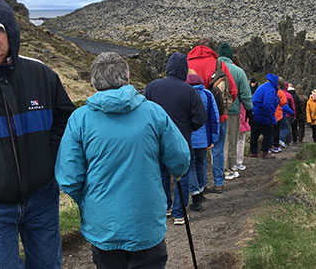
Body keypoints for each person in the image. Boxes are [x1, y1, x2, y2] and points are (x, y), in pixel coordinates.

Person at [0, 0, 75, 268]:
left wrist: (49, 158)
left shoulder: (41, 74)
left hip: (42, 197)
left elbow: (65, 119)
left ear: (11, 31)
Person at [55, 52, 190, 269]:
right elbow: (181, 160)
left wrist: (89, 201)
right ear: (127, 78)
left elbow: (69, 177)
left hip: (103, 225)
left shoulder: (80, 119)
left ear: (94, 82)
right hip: (145, 222)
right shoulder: (153, 113)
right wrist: (176, 171)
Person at [144, 52, 207, 224]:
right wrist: (189, 127)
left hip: (157, 141)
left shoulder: (152, 87)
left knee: (162, 175)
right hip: (181, 141)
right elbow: (201, 118)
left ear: (168, 67)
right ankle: (180, 213)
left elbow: (143, 112)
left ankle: (166, 207)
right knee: (182, 176)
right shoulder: (190, 91)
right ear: (184, 70)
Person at [187, 38, 237, 193]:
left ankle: (199, 187)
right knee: (218, 149)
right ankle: (218, 183)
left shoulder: (187, 64)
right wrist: (222, 110)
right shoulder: (219, 64)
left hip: (192, 118)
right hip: (218, 116)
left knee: (195, 153)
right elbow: (232, 91)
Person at [217, 45, 253, 181]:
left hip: (216, 112)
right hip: (233, 110)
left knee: (218, 141)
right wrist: (249, 109)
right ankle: (229, 170)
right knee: (232, 141)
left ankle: (217, 169)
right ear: (231, 56)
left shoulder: (213, 69)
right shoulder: (238, 72)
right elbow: (245, 94)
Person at [186, 72, 219, 211]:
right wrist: (213, 138)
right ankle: (201, 188)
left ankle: (196, 196)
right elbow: (214, 117)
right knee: (201, 163)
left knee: (191, 166)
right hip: (204, 138)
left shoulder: (185, 95)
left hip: (188, 138)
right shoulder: (207, 94)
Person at [249, 73, 280, 159]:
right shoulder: (271, 89)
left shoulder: (264, 86)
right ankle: (265, 152)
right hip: (262, 114)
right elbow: (267, 105)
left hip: (254, 113)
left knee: (255, 133)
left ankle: (253, 152)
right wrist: (272, 118)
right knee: (269, 133)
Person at [272, 77, 288, 153]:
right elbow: (283, 103)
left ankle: (268, 147)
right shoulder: (281, 92)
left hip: (269, 113)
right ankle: (276, 147)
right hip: (277, 114)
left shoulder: (270, 90)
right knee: (276, 131)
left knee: (269, 131)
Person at [236, 104, 251, 171]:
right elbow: (248, 104)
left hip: (229, 117)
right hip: (241, 116)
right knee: (240, 140)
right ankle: (238, 162)